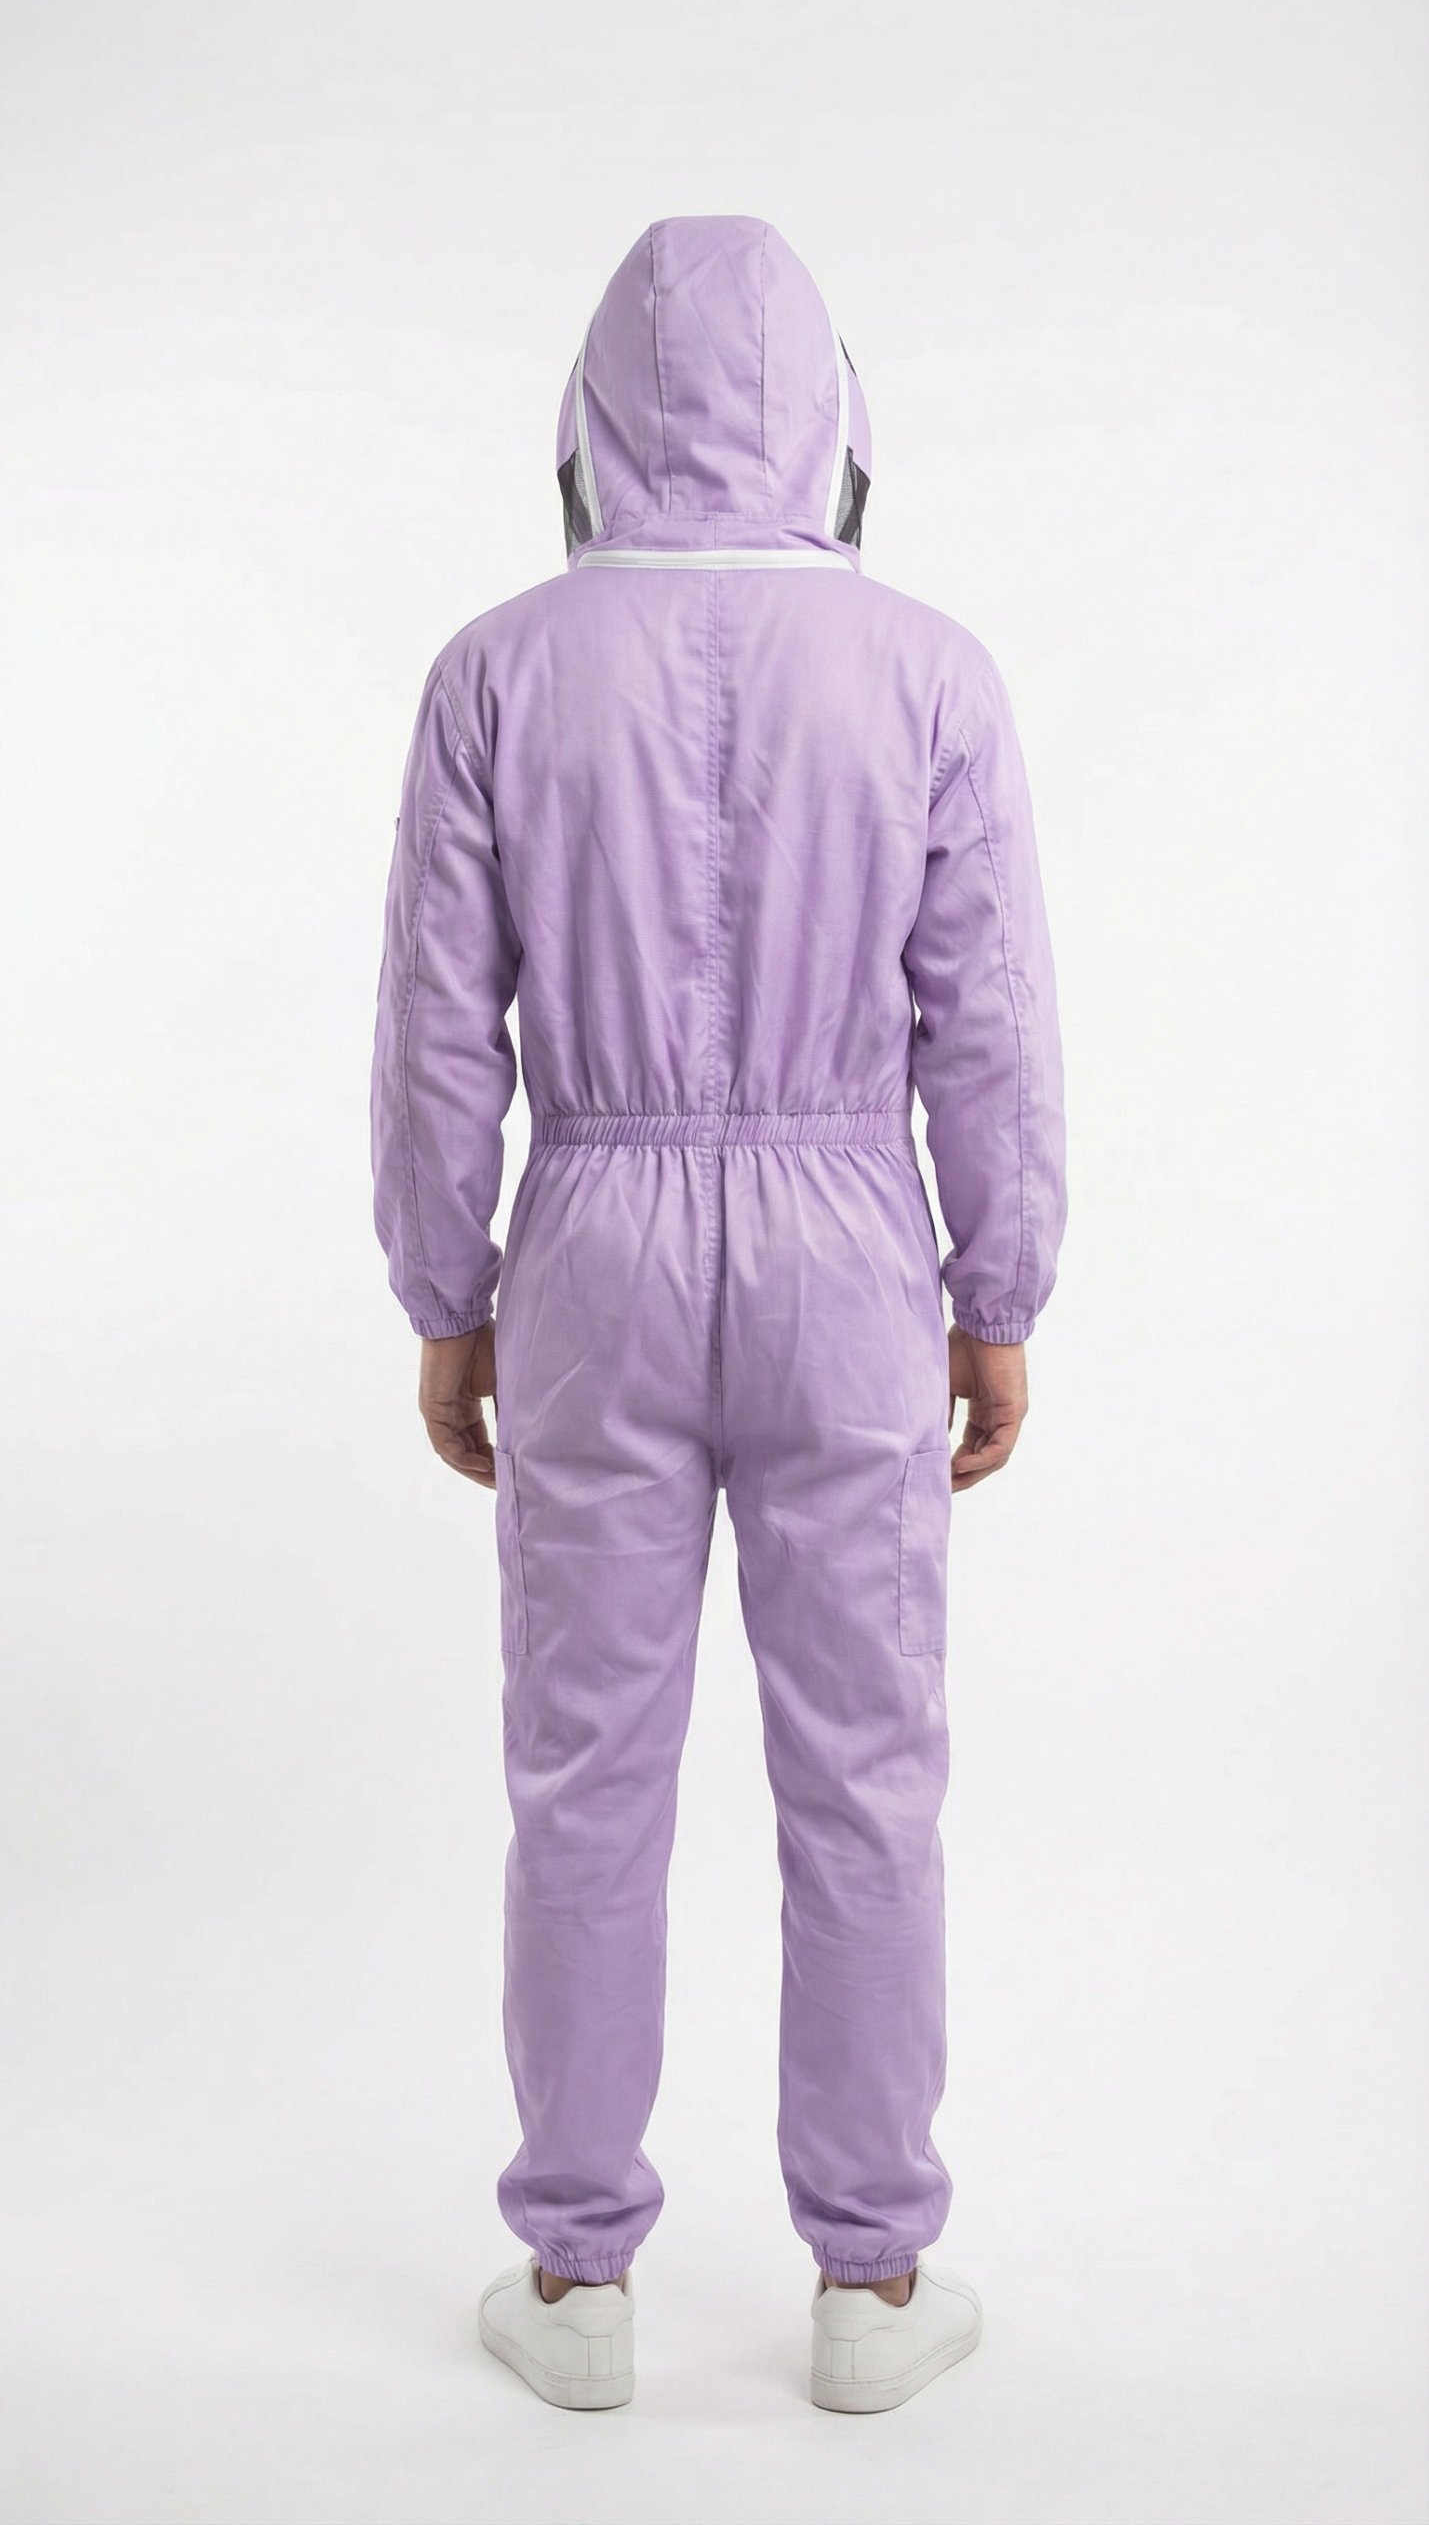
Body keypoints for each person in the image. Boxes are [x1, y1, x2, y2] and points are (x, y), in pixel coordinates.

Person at [371, 215, 1066, 2415]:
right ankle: (875, 2283)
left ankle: (574, 2281)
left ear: (589, 423)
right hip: (852, 1243)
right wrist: (995, 1290)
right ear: (831, 422)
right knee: (865, 1770)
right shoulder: (930, 670)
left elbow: (436, 1031)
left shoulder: (495, 670)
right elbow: (990, 1019)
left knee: (583, 1768)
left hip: (589, 1239)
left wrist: (447, 1292)